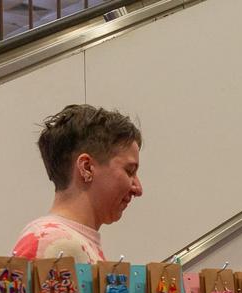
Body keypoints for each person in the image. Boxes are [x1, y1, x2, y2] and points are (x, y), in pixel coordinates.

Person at [12, 104, 144, 262]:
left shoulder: (65, 242)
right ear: (86, 167)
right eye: (129, 171)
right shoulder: (52, 242)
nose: (138, 189)